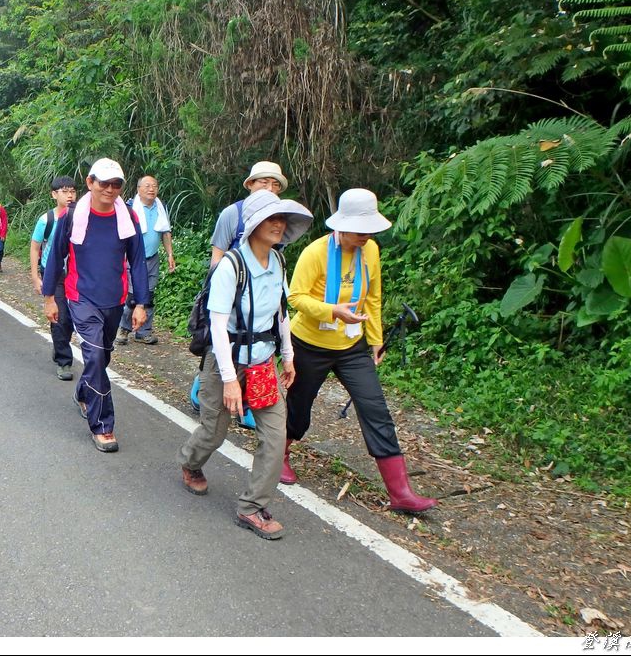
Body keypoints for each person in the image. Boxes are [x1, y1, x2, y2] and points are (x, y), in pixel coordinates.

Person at [281, 188, 437, 514]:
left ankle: (400, 492)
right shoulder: (316, 252)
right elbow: (295, 297)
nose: (367, 235)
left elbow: (374, 297)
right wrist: (332, 311)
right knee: (299, 409)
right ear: (342, 225)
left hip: (352, 346)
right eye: (361, 230)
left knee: (375, 408)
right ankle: (279, 456)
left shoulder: (372, 251)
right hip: (310, 344)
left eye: (371, 230)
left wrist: (376, 338)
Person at [177, 189, 312, 540]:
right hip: (227, 362)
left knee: (275, 434)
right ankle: (190, 462)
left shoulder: (279, 262)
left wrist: (288, 354)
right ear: (252, 225)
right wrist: (230, 380)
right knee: (214, 431)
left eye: (282, 218)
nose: (279, 224)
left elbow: (281, 312)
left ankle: (252, 507)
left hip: (263, 362)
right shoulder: (231, 267)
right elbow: (219, 327)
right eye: (271, 218)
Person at [41, 158, 150, 453]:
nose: (110, 189)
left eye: (116, 184)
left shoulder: (127, 217)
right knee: (96, 354)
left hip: (114, 300)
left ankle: (83, 392)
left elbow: (138, 262)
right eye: (104, 183)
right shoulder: (72, 217)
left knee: (101, 358)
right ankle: (103, 425)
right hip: (80, 297)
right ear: (90, 183)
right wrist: (50, 297)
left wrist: (141, 303)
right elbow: (55, 257)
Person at [117, 175, 176, 345]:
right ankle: (124, 329)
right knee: (132, 296)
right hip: (133, 260)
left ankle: (144, 331)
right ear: (138, 189)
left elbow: (165, 232)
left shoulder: (160, 207)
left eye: (154, 186)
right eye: (147, 186)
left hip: (152, 258)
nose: (151, 189)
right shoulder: (129, 208)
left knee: (148, 296)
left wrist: (170, 254)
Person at [30, 176, 77, 381]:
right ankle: (64, 362)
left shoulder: (81, 216)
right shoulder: (47, 220)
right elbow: (35, 247)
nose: (69, 195)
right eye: (64, 191)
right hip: (53, 272)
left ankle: (59, 346)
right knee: (60, 316)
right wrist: (35, 276)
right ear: (54, 194)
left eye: (73, 191)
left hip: (76, 274)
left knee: (73, 318)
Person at [209, 161, 288, 267]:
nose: (270, 189)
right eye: (264, 182)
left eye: (275, 184)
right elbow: (216, 259)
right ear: (250, 184)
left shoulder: (281, 218)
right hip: (234, 280)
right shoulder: (233, 213)